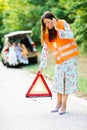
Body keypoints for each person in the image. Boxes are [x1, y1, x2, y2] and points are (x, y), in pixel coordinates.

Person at [38, 11, 79, 114]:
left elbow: (71, 35)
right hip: (60, 60)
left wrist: (58, 29)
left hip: (70, 58)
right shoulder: (47, 33)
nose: (48, 25)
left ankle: (64, 105)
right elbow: (45, 50)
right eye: (45, 23)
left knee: (66, 81)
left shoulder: (62, 23)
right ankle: (58, 103)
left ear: (53, 19)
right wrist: (42, 66)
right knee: (59, 81)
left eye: (49, 22)